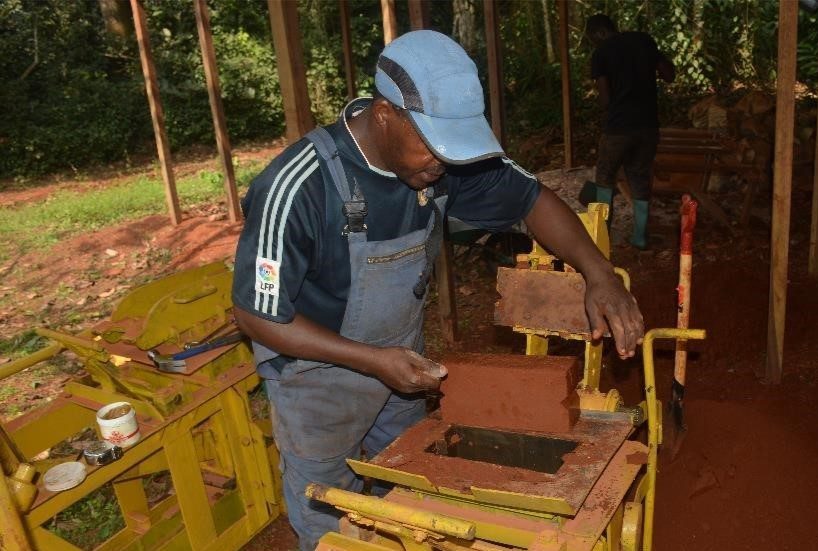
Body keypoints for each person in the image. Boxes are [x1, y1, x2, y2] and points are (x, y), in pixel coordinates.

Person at [231, 30, 644, 551]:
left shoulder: (441, 164)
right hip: (316, 382)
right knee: (334, 517)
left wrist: (599, 273)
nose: (443, 165)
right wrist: (372, 360)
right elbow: (257, 316)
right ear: (385, 113)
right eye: (434, 147)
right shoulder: (298, 187)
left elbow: (532, 200)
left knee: (411, 491)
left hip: (400, 366)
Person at [581, 14, 675, 250]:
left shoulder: (601, 53)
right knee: (640, 176)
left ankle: (602, 238)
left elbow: (605, 99)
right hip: (647, 126)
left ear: (600, 33)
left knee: (605, 177)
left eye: (593, 38)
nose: (594, 43)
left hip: (618, 128)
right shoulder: (643, 40)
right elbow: (669, 75)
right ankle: (640, 237)